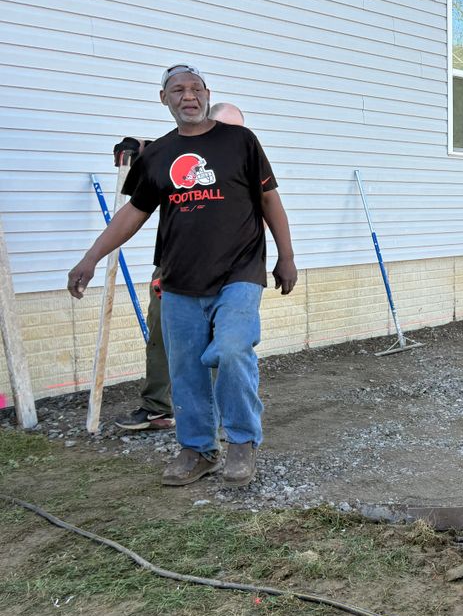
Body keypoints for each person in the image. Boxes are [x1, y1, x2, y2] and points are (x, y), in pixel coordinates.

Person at [69, 66, 295, 488]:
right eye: (178, 90)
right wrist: (91, 258)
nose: (188, 96)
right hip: (178, 278)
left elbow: (269, 199)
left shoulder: (240, 141)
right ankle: (198, 450)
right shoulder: (157, 155)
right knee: (187, 368)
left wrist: (286, 255)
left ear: (207, 94)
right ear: (164, 98)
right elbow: (133, 214)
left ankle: (242, 441)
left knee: (231, 350)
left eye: (195, 88)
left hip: (240, 271)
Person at [112, 101, 248, 434]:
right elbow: (158, 156)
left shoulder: (245, 157)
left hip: (229, 271)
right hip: (174, 268)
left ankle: (221, 418)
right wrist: (135, 152)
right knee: (162, 335)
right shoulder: (180, 151)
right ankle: (157, 408)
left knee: (224, 343)